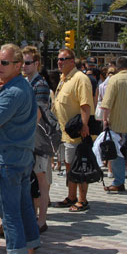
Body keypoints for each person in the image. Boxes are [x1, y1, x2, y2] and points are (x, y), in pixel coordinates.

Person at [0, 44, 38, 254]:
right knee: (24, 208)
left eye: (5, 63)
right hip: (21, 157)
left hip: (8, 159)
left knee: (10, 213)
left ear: (18, 65)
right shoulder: (22, 86)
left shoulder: (13, 91)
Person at [51, 48, 94, 212]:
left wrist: (84, 126)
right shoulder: (64, 79)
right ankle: (71, 196)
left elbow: (85, 105)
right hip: (64, 133)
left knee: (79, 166)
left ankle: (82, 200)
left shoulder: (80, 78)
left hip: (76, 133)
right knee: (70, 166)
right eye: (58, 59)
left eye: (63, 59)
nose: (59, 62)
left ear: (72, 60)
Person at [101, 56, 127, 192]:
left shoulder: (114, 80)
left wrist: (105, 120)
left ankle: (119, 182)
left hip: (117, 123)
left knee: (118, 153)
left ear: (117, 67)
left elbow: (106, 103)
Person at [22, 46, 52, 232]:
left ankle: (42, 220)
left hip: (39, 138)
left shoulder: (40, 84)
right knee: (33, 178)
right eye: (22, 63)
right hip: (30, 139)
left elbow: (38, 113)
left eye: (27, 63)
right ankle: (34, 216)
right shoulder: (27, 82)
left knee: (41, 178)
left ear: (37, 64)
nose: (24, 66)